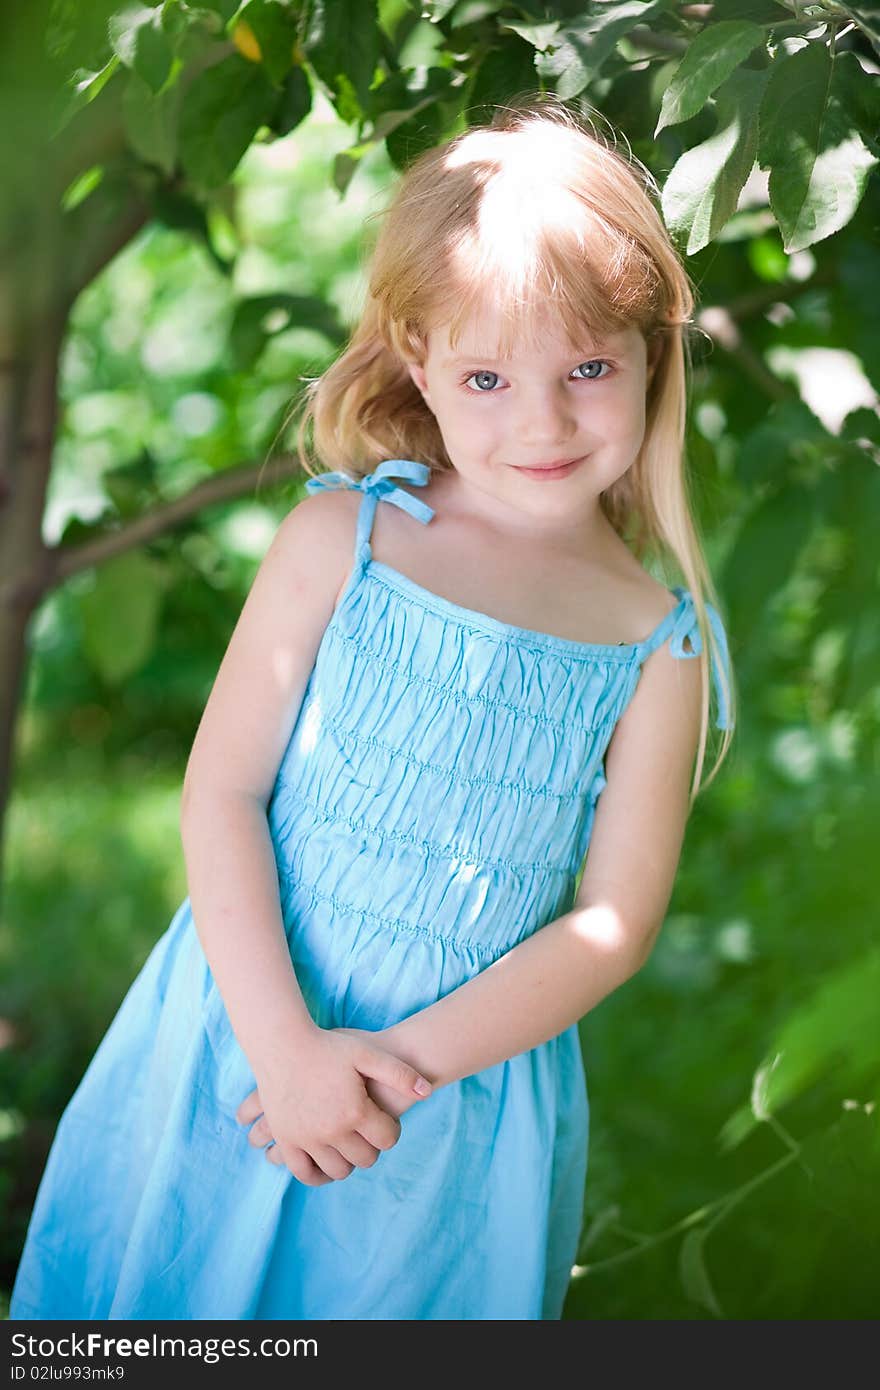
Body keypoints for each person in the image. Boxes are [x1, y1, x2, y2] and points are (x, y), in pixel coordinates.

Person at [10, 92, 735, 1322]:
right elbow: (221, 790)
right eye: (490, 373)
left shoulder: (652, 641)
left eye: (589, 367)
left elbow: (612, 922)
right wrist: (292, 1058)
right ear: (417, 356)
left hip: (445, 1108)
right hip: (243, 1027)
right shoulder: (342, 539)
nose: (543, 420)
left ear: (650, 353)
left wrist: (387, 1079)